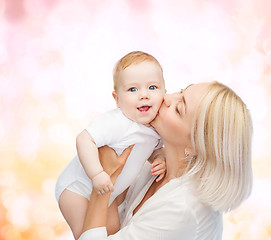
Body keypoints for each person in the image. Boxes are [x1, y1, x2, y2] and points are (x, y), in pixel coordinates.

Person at [78, 81, 253, 240]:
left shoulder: (182, 209)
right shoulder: (159, 165)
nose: (166, 97)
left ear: (196, 146)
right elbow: (114, 226)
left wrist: (104, 181)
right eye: (181, 92)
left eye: (178, 109)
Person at [55, 51, 167, 239]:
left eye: (153, 87)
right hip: (77, 189)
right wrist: (97, 173)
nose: (144, 95)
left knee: (114, 232)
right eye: (133, 89)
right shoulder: (117, 122)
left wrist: (160, 158)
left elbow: (153, 150)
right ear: (117, 99)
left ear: (164, 91)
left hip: (108, 193)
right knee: (86, 232)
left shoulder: (156, 127)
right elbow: (84, 139)